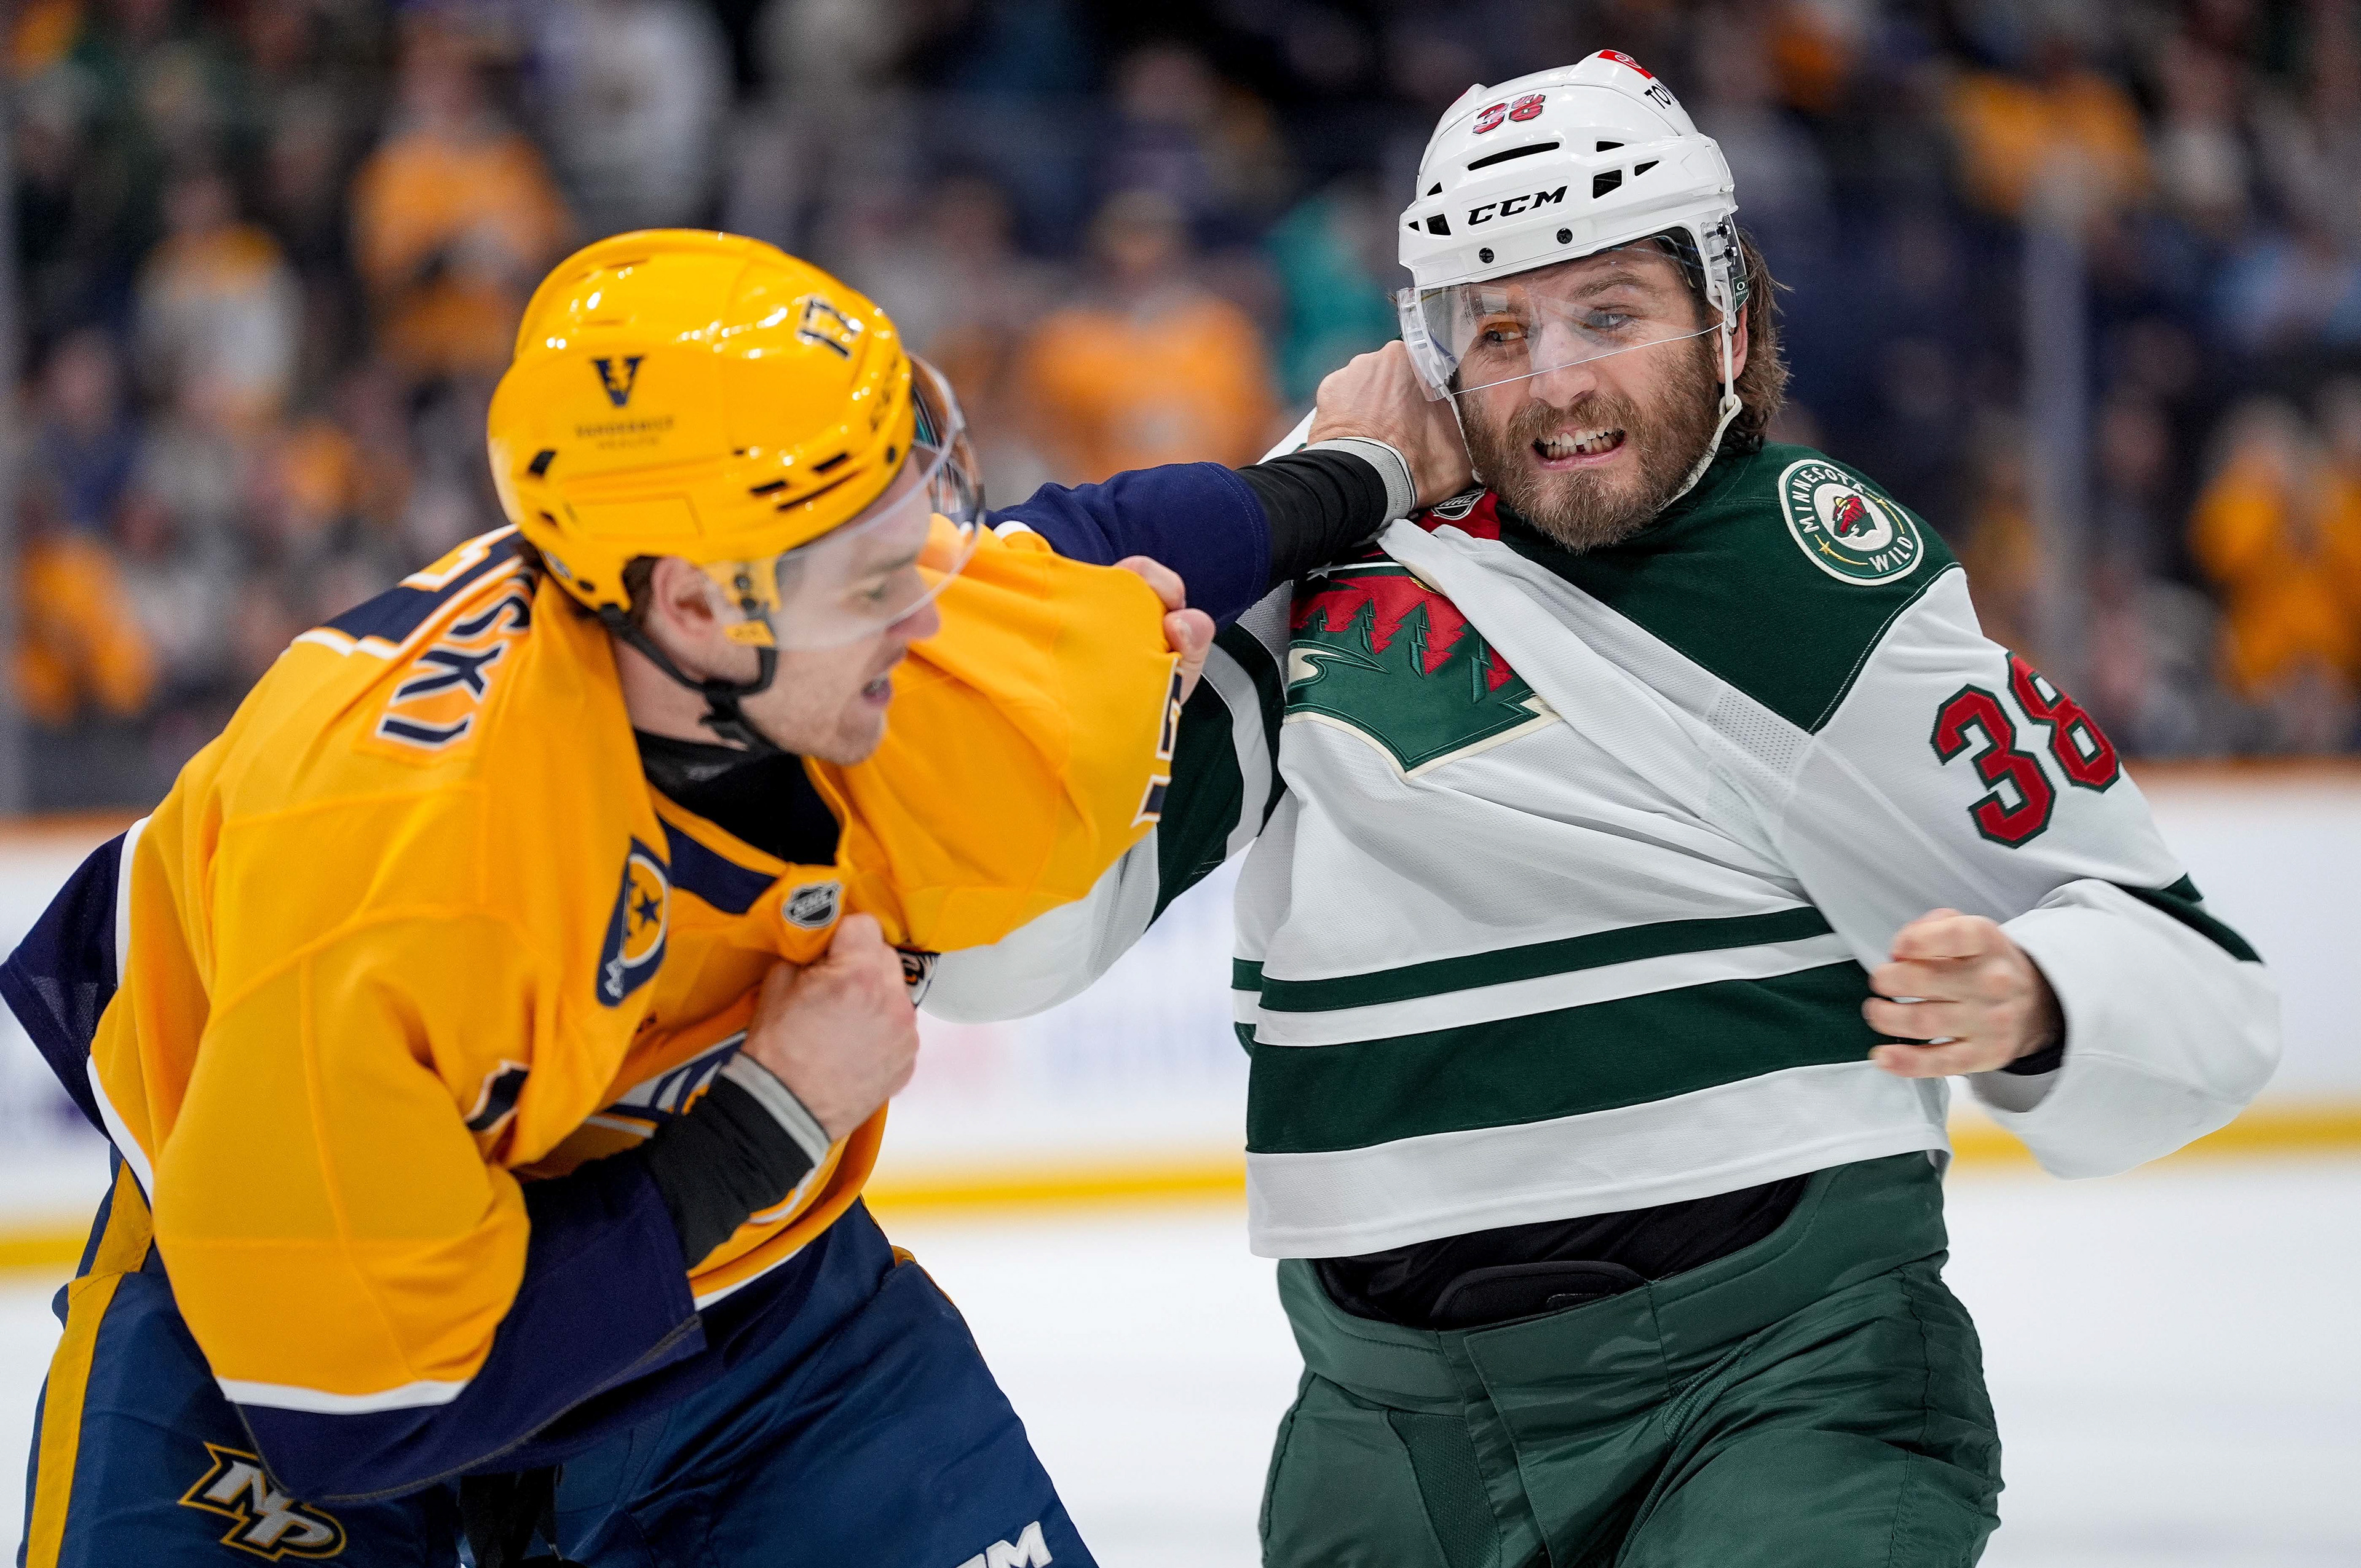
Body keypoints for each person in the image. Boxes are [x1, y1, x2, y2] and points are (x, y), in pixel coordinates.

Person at [923, 53, 2280, 1566]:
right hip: (1389, 1437)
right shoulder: (1337, 561)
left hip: (1778, 1390)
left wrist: (2038, 993)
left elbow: (2203, 988)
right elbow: (1009, 954)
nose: (1555, 377)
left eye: (1610, 315)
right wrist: (1305, 493)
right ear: (1428, 358)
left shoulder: (1811, 572)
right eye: (1498, 330)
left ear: (1731, 315)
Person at [2, 229, 1462, 1568]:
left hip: (756, 1327)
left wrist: (1364, 471)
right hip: (289, 1340)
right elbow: (364, 1402)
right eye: (877, 578)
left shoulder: (845, 629)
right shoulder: (392, 878)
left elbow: (1077, 541)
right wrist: (770, 1117)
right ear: (698, 609)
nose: (936, 616)